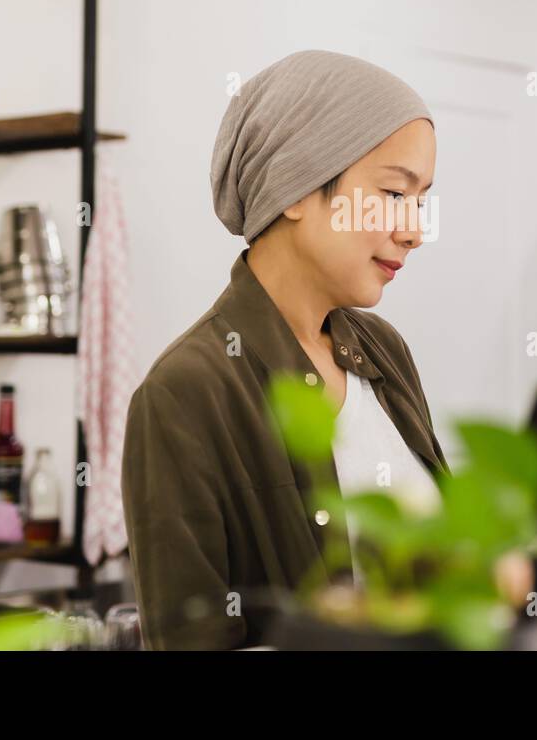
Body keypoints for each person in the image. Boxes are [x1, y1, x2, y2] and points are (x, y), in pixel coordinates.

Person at [122, 50, 446, 649]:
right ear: (296, 186)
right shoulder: (185, 393)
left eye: (420, 200)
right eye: (395, 194)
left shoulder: (384, 352)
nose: (414, 230)